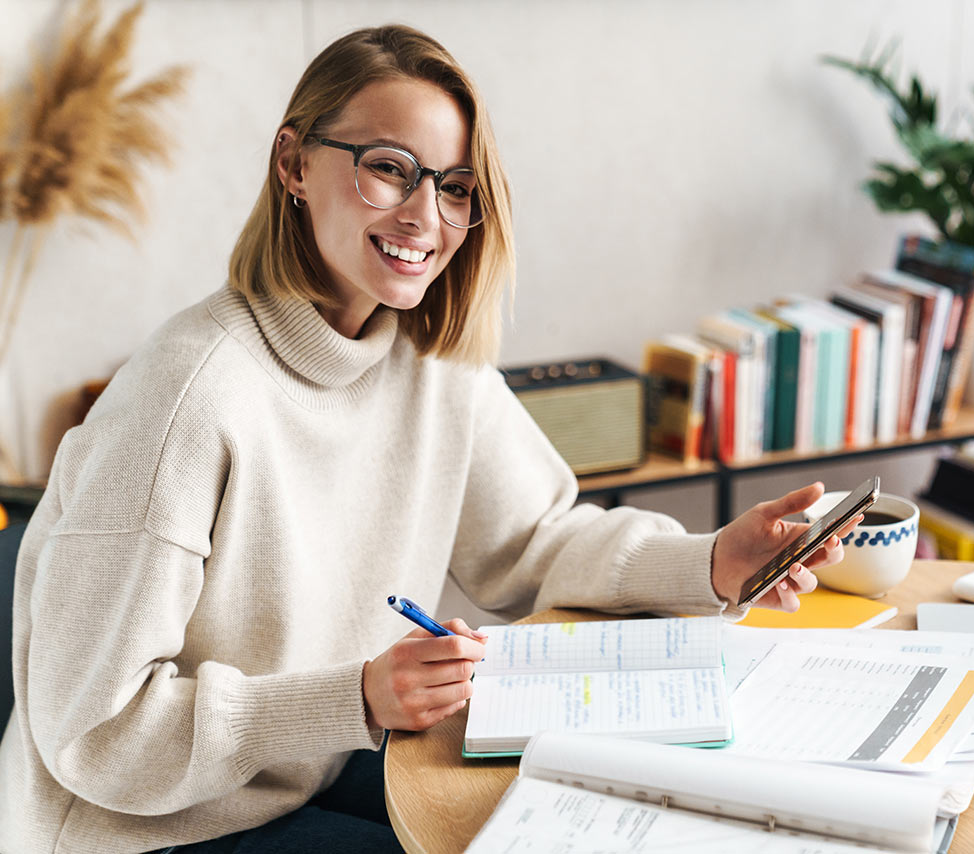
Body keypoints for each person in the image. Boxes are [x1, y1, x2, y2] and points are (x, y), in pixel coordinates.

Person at [0, 24, 852, 854]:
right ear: (293, 162)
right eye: (388, 170)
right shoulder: (185, 399)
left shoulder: (430, 363)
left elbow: (532, 540)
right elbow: (96, 735)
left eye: (452, 186)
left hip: (301, 771)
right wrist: (358, 698)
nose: (424, 216)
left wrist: (713, 563)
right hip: (133, 828)